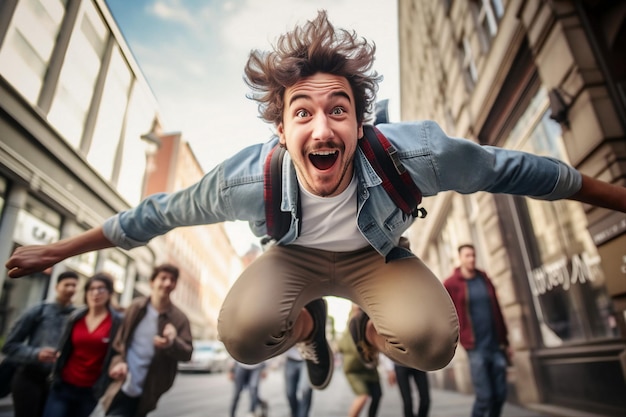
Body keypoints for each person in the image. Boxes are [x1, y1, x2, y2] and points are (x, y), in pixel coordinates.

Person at [5, 10, 626, 394]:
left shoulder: (416, 154)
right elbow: (154, 214)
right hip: (294, 260)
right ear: (282, 130)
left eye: (339, 111)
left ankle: (363, 327)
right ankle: (308, 329)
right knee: (245, 336)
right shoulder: (247, 179)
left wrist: (617, 196)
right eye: (303, 113)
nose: (322, 129)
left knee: (435, 345)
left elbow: (515, 169)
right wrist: (61, 250)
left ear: (361, 123)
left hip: (376, 258)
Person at [99, 264, 193, 417]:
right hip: (122, 384)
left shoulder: (180, 319)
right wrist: (119, 363)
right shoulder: (136, 308)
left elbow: (188, 353)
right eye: (163, 278)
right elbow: (119, 344)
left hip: (149, 390)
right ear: (152, 282)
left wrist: (172, 342)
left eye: (172, 280)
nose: (168, 283)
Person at [42, 272, 123, 417]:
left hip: (91, 391)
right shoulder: (76, 317)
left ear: (110, 293)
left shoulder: (117, 322)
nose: (95, 293)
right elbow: (65, 347)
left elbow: (119, 352)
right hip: (64, 385)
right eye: (91, 289)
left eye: (101, 289)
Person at [444, 244, 510, 417]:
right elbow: (445, 312)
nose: (471, 259)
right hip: (475, 347)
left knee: (500, 395)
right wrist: (457, 337)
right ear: (460, 258)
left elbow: (497, 309)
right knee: (485, 397)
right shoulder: (452, 284)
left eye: (473, 255)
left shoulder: (484, 279)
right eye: (467, 256)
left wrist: (506, 341)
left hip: (496, 346)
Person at [1, 271, 78, 417]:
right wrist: (36, 354)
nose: (70, 289)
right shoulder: (38, 311)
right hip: (28, 377)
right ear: (57, 287)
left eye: (74, 285)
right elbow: (9, 346)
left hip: (58, 383)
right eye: (66, 284)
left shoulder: (77, 316)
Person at [337, 305, 382, 417]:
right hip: (354, 370)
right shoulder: (351, 323)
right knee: (363, 396)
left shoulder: (370, 319)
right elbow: (342, 346)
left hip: (370, 368)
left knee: (377, 395)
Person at [284, 346, 313, 417]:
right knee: (290, 393)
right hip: (291, 360)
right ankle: (294, 414)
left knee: (305, 391)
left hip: (307, 359)